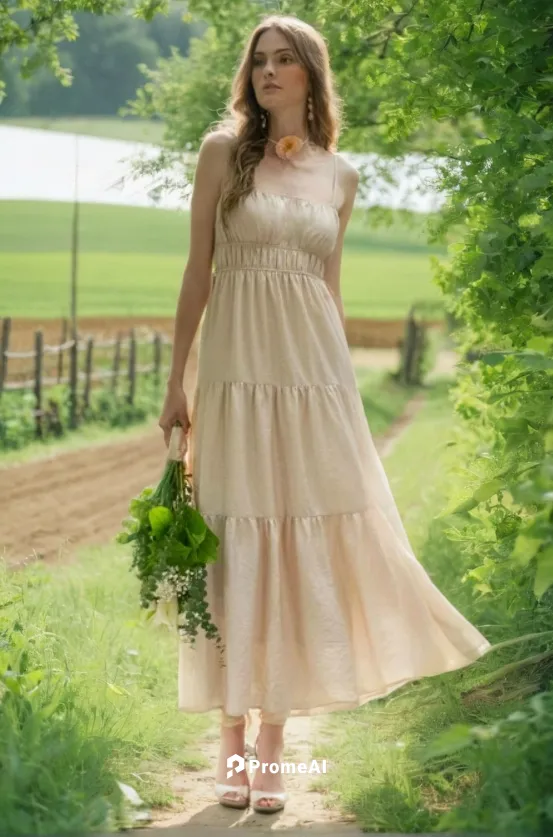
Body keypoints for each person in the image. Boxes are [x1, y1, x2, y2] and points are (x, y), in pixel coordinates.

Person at [158, 13, 492, 815]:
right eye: (259, 61)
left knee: (303, 532)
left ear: (310, 75)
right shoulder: (219, 154)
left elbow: (328, 295)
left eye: (284, 60)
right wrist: (177, 380)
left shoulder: (338, 176)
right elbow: (196, 272)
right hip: (237, 378)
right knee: (235, 538)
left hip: (313, 383)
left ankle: (272, 743)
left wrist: (344, 390)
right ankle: (228, 739)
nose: (268, 72)